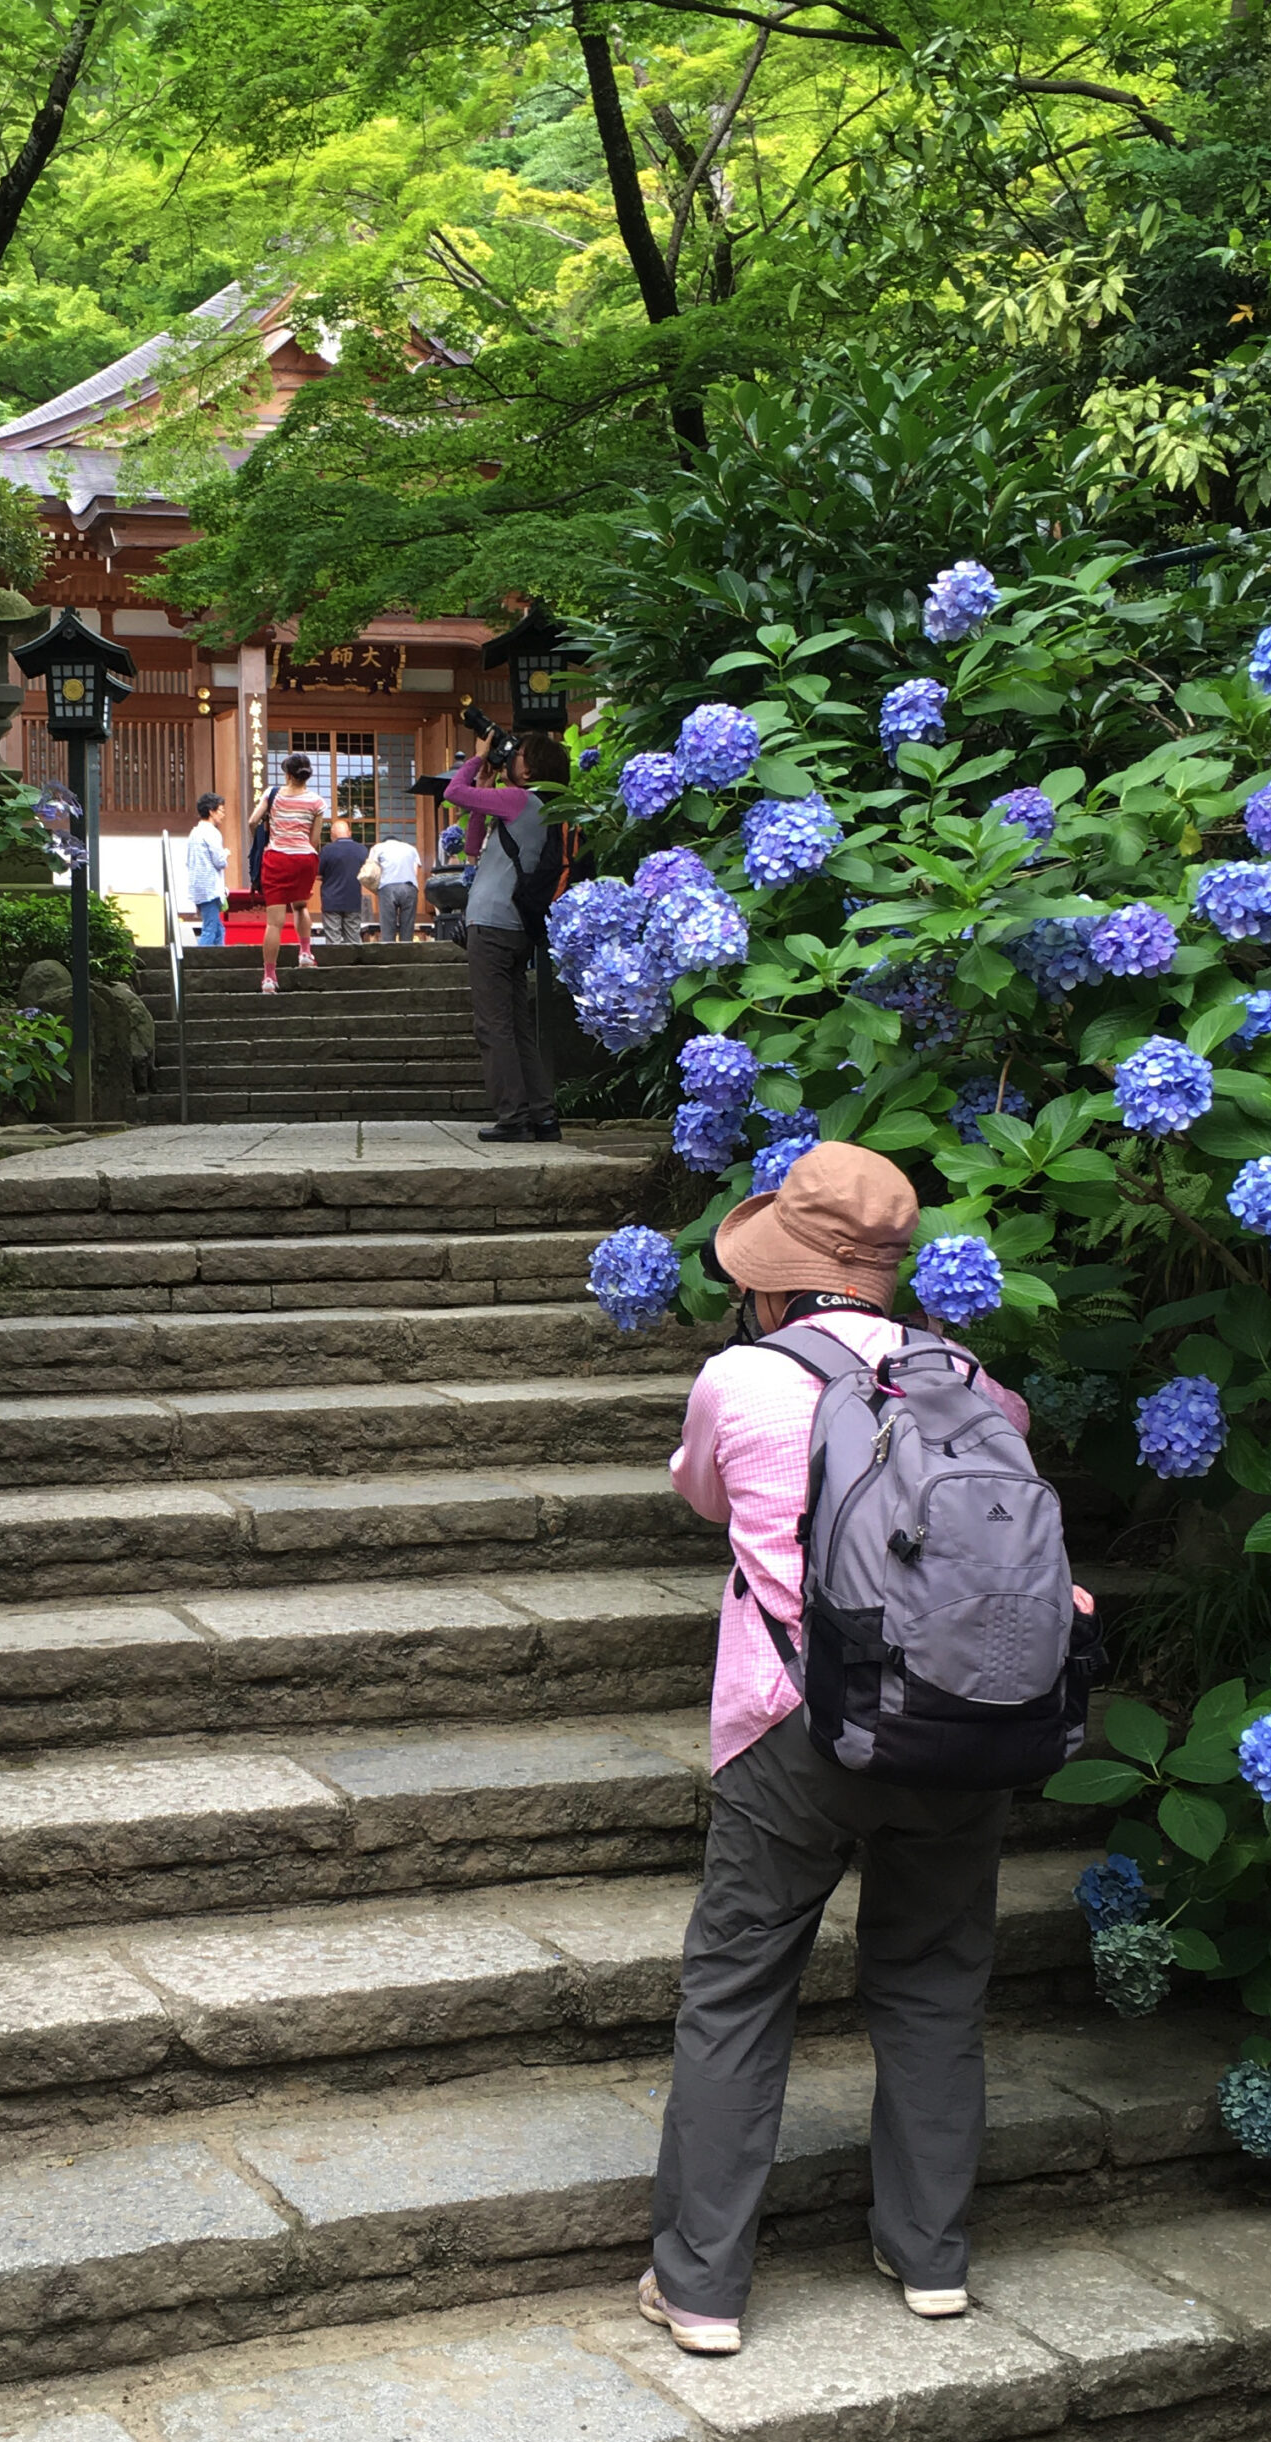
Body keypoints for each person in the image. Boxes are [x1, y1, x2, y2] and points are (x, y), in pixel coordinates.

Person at [642, 1144, 1038, 2354]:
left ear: (778, 1277)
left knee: (738, 1989)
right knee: (932, 1982)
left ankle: (702, 2288)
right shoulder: (976, 1384)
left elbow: (702, 1498)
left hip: (791, 1727)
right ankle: (929, 2261)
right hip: (953, 1723)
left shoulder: (742, 1378)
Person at [445, 732, 565, 1139]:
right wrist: (484, 787)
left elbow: (452, 792)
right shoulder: (541, 806)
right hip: (515, 927)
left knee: (493, 1026)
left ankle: (513, 1118)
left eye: (520, 756)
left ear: (530, 769)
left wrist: (478, 760)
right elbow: (474, 846)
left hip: (492, 926)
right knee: (516, 1027)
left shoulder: (520, 800)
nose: (511, 758)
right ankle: (542, 1115)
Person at [248, 751, 327, 993]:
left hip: (277, 858)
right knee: (301, 907)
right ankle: (305, 953)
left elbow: (253, 821)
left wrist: (266, 838)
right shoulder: (317, 802)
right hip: (304, 858)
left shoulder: (273, 794)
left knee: (274, 923)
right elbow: (314, 840)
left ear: (287, 774)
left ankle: (269, 978)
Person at [185, 793, 228, 946]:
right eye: (221, 810)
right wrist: (226, 854)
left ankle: (218, 961)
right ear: (211, 811)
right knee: (210, 929)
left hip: (199, 886)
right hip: (210, 887)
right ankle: (198, 962)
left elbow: (189, 862)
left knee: (218, 929)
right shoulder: (212, 832)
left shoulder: (194, 832)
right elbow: (219, 861)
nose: (223, 814)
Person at [318, 820, 369, 945]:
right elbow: (369, 872)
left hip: (331, 900)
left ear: (332, 835)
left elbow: (318, 873)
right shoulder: (362, 850)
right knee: (353, 939)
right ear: (349, 833)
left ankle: (336, 963)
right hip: (353, 898)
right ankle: (355, 963)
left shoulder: (327, 850)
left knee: (333, 939)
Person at [371, 832, 422, 942]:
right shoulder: (410, 848)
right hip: (409, 887)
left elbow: (372, 869)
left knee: (388, 927)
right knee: (408, 926)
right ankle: (407, 953)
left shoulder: (378, 847)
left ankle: (389, 955)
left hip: (387, 887)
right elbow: (415, 871)